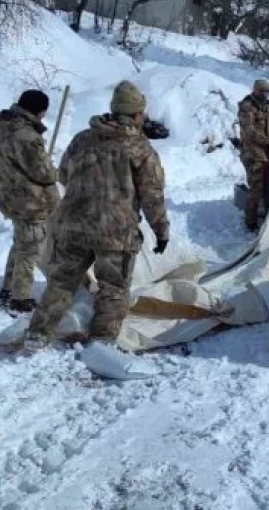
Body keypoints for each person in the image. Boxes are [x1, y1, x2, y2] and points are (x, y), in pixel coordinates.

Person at [26, 80, 169, 346]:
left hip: (73, 227)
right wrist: (161, 231)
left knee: (61, 283)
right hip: (116, 233)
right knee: (113, 290)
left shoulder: (82, 139)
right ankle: (100, 343)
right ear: (137, 114)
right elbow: (152, 195)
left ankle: (37, 334)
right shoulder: (140, 148)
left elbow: (65, 174)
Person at [0, 89, 60, 313]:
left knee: (21, 243)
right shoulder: (26, 136)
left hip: (10, 195)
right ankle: (19, 298)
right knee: (29, 249)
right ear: (39, 111)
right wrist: (54, 170)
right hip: (29, 200)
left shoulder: (3, 127)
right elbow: (43, 173)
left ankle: (8, 289)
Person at [236, 78, 269, 231]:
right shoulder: (247, 107)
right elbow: (249, 131)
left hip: (266, 154)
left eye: (267, 91)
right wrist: (268, 141)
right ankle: (250, 222)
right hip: (252, 154)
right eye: (261, 91)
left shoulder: (267, 106)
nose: (265, 94)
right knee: (256, 189)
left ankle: (267, 216)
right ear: (254, 90)